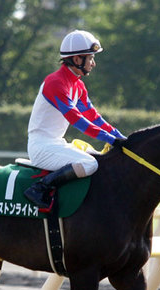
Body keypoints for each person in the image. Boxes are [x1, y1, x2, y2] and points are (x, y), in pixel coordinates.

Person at [24, 29, 127, 210]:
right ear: (77, 59)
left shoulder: (78, 85)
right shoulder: (56, 82)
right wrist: (111, 139)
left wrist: (120, 136)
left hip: (56, 144)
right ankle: (40, 188)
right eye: (91, 58)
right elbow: (76, 120)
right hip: (41, 147)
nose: (93, 64)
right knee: (89, 163)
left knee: (98, 159)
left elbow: (93, 116)